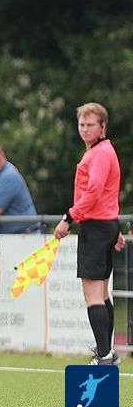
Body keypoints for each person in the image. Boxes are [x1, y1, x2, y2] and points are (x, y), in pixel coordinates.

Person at [53, 102, 124, 365]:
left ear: (102, 126)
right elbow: (107, 195)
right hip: (103, 225)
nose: (84, 129)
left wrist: (68, 218)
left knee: (93, 294)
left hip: (96, 227)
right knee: (101, 293)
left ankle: (104, 354)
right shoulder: (100, 151)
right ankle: (107, 351)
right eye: (81, 124)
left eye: (90, 124)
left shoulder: (100, 153)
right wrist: (113, 228)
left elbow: (94, 192)